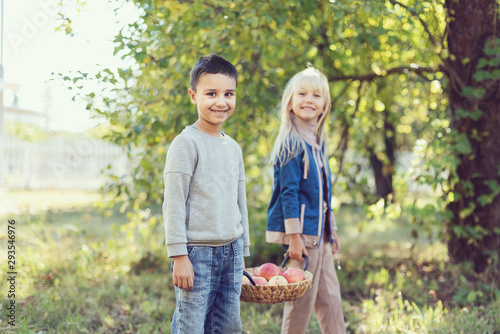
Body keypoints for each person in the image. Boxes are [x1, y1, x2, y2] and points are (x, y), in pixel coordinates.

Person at [162, 54, 251, 334]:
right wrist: (179, 255)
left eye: (229, 93)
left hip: (232, 251)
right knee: (191, 325)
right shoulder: (186, 144)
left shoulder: (233, 147)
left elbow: (240, 201)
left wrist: (243, 250)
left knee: (228, 326)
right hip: (196, 254)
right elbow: (174, 202)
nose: (221, 101)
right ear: (193, 95)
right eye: (211, 93)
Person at [266, 67, 346, 334]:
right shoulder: (291, 143)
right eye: (302, 94)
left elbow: (323, 193)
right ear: (290, 102)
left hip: (319, 236)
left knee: (331, 301)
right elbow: (289, 193)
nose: (309, 99)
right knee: (300, 304)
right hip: (302, 238)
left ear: (324, 105)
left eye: (316, 95)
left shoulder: (318, 143)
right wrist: (294, 237)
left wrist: (331, 231)